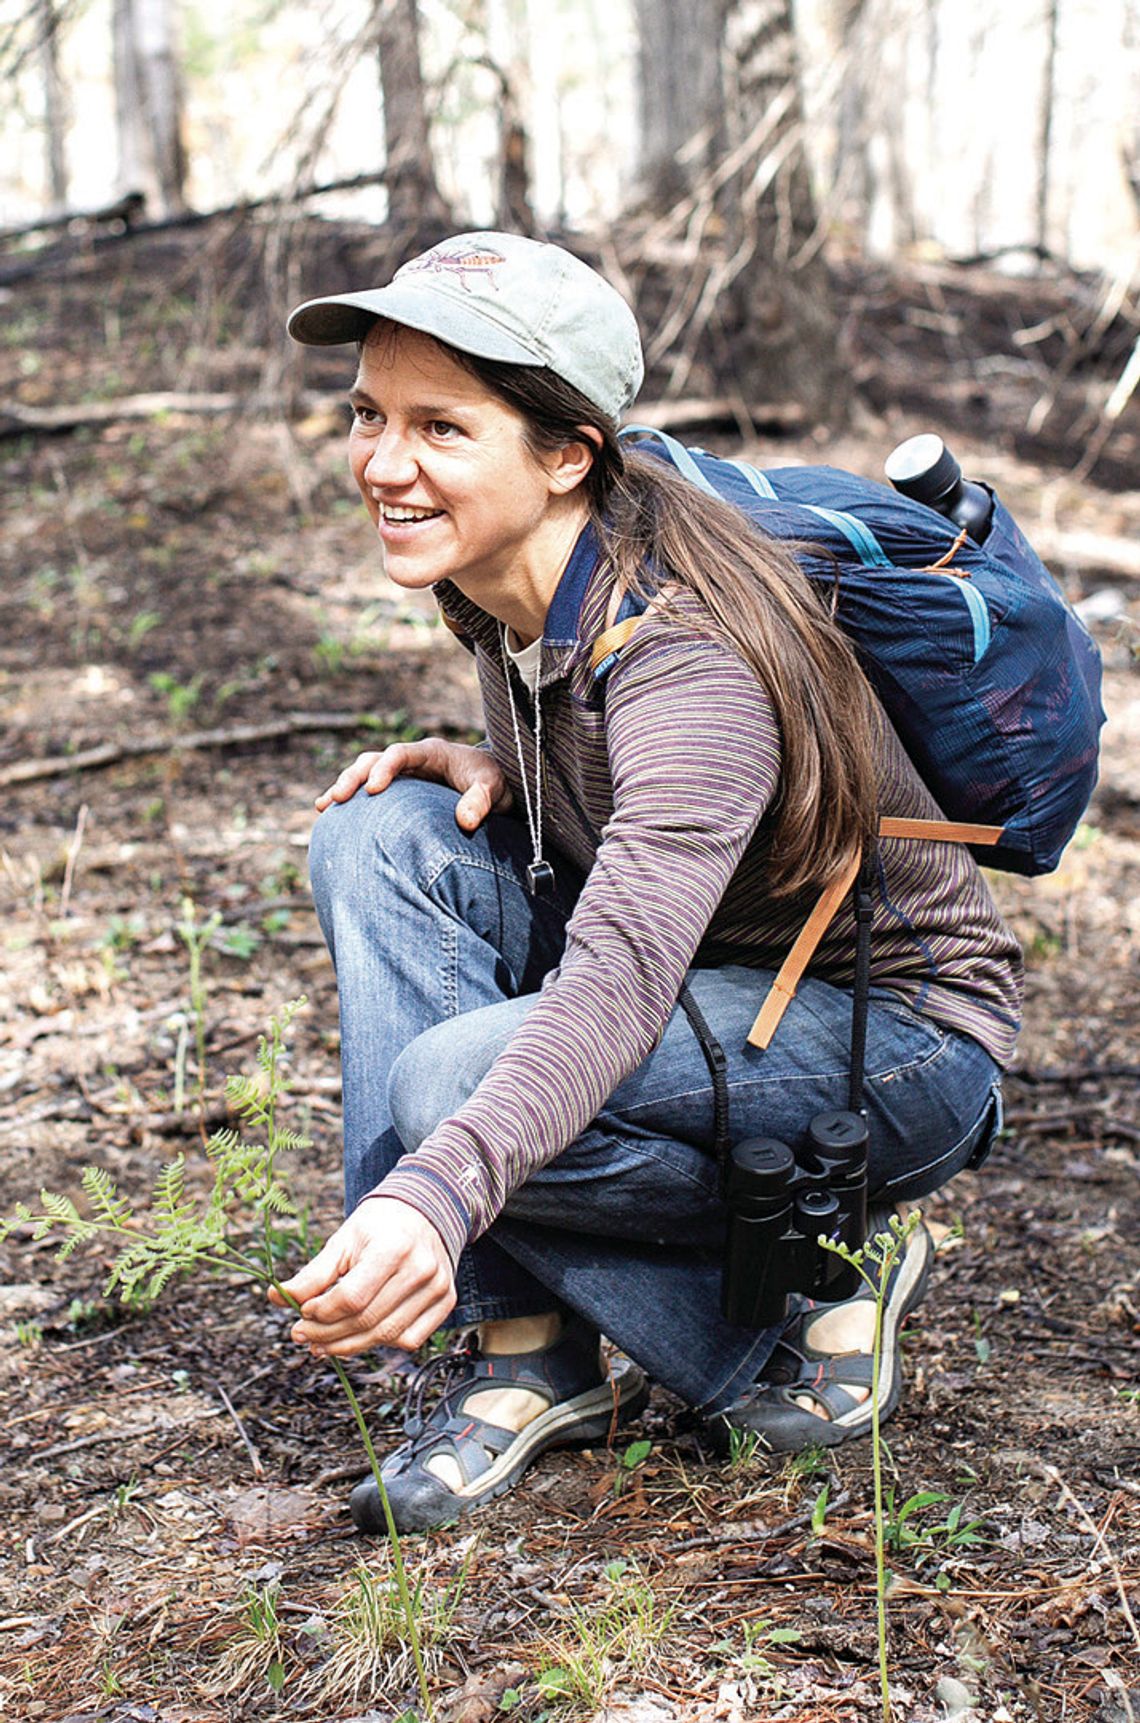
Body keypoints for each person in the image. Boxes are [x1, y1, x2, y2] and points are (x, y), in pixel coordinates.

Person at [273, 231, 1021, 1536]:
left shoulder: (683, 645)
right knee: (381, 832)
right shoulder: (505, 574)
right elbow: (635, 827)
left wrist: (438, 1188)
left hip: (895, 1037)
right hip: (718, 982)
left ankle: (810, 1280)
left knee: (448, 1096)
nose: (383, 464)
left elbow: (619, 970)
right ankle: (524, 1356)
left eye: (440, 429)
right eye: (369, 414)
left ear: (568, 453)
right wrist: (501, 762)